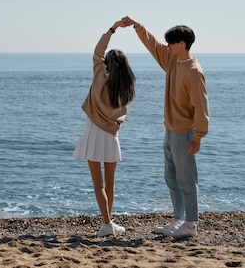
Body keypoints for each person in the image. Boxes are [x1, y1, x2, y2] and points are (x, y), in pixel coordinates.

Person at [122, 16, 209, 238]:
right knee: (171, 177)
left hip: (185, 133)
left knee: (186, 179)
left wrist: (198, 136)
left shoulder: (193, 71)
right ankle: (178, 219)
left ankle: (190, 223)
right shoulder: (171, 61)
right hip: (170, 130)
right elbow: (152, 44)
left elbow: (201, 106)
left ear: (182, 44)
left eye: (171, 43)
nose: (167, 47)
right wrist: (137, 26)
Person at [73, 20, 136, 237]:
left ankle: (107, 223)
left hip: (93, 132)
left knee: (98, 183)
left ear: (108, 63)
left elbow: (98, 51)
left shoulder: (100, 73)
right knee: (109, 182)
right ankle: (109, 222)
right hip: (111, 135)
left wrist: (114, 28)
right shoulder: (125, 87)